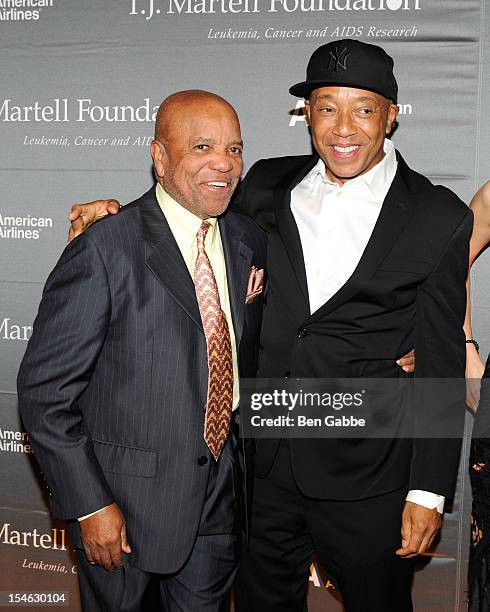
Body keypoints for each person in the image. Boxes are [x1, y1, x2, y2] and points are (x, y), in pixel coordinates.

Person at [67, 40, 468, 611]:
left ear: (392, 115)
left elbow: (441, 363)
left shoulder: (439, 215)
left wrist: (427, 491)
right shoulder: (265, 186)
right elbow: (186, 211)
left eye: (364, 108)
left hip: (368, 473)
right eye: (327, 107)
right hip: (262, 467)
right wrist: (114, 217)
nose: (343, 127)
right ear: (307, 114)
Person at [17, 90, 266, 612]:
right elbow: (45, 395)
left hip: (219, 501)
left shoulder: (248, 239)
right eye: (202, 146)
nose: (224, 162)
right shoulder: (105, 247)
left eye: (235, 149)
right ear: (159, 155)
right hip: (123, 509)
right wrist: (90, 505)